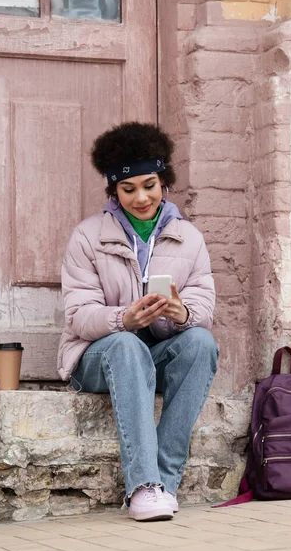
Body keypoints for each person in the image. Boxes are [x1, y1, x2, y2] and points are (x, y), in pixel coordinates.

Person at [57, 122, 218, 521]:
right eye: (128, 189)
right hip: (100, 358)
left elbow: (203, 301)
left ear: (164, 182)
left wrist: (181, 313)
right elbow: (78, 316)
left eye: (150, 185)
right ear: (114, 191)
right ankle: (143, 486)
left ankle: (164, 480)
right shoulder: (87, 236)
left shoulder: (188, 237)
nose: (141, 197)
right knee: (127, 345)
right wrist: (122, 319)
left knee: (201, 343)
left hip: (158, 353)